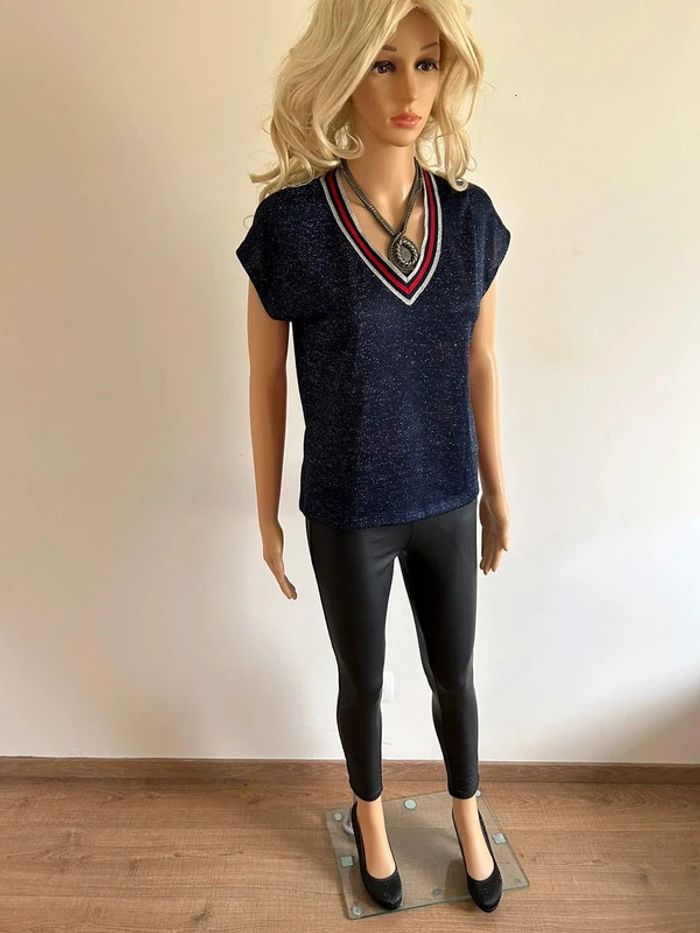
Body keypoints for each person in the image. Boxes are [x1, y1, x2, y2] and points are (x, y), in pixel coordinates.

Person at [235, 0, 511, 914]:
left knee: (455, 673)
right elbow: (265, 378)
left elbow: (482, 362)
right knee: (365, 677)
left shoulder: (470, 221)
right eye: (384, 63)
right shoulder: (292, 227)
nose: (408, 90)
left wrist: (498, 492)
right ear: (344, 71)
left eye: (427, 63)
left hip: (449, 493)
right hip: (349, 503)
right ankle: (370, 814)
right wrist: (267, 512)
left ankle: (467, 810)